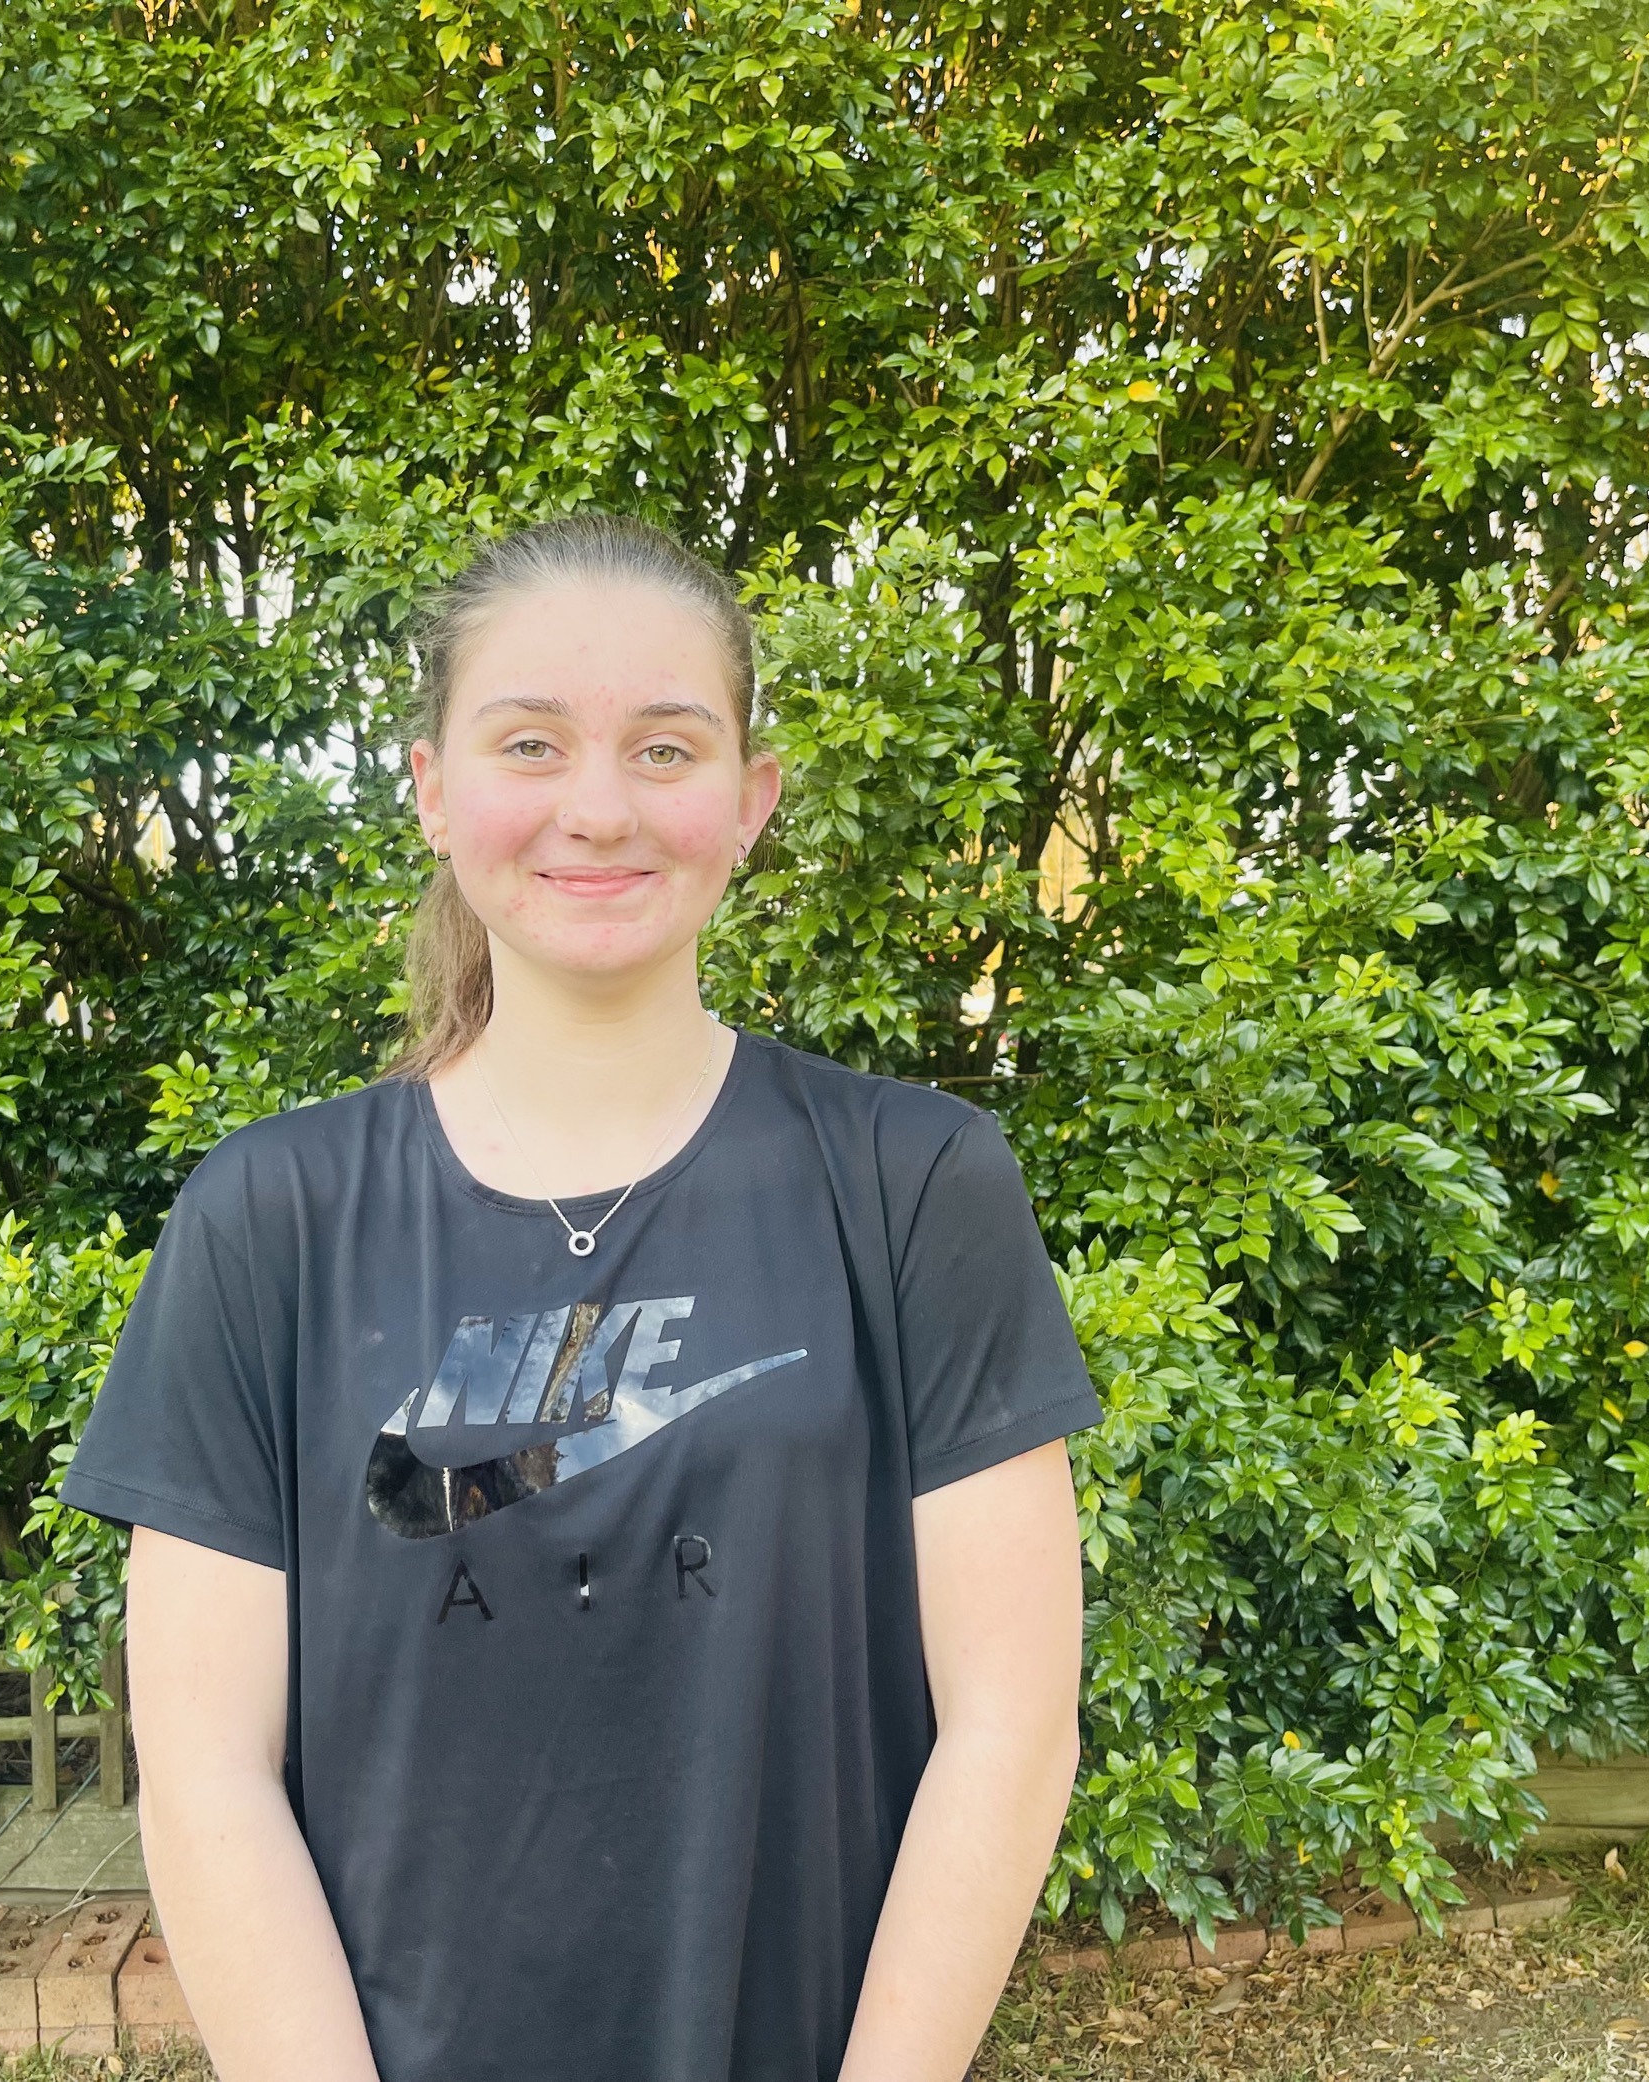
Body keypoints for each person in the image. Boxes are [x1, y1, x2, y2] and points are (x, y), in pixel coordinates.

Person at [60, 515, 1098, 2082]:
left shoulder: (913, 1180)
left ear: (749, 801)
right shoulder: (269, 1218)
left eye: (665, 748)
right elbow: (206, 1766)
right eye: (530, 740)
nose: (598, 807)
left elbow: (1013, 1725)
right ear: (432, 787)